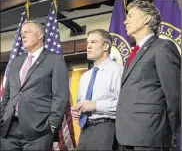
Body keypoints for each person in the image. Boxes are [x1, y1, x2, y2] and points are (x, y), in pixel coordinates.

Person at [116, 0, 181, 151]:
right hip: (127, 134)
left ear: (146, 19)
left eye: (131, 16)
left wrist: (169, 130)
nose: (125, 21)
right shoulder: (134, 53)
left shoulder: (163, 47)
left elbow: (173, 95)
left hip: (150, 134)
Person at [0, 20, 69, 150]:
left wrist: (52, 125)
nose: (23, 36)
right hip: (8, 129)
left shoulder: (55, 60)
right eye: (21, 33)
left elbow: (60, 95)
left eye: (27, 32)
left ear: (40, 35)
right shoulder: (16, 61)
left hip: (38, 129)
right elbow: (7, 96)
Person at [71, 29, 123, 150]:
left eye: (93, 42)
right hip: (85, 130)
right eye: (87, 43)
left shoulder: (117, 71)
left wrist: (95, 106)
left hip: (106, 129)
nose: (88, 46)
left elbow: (124, 105)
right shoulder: (85, 76)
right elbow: (82, 102)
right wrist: (78, 110)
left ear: (105, 46)